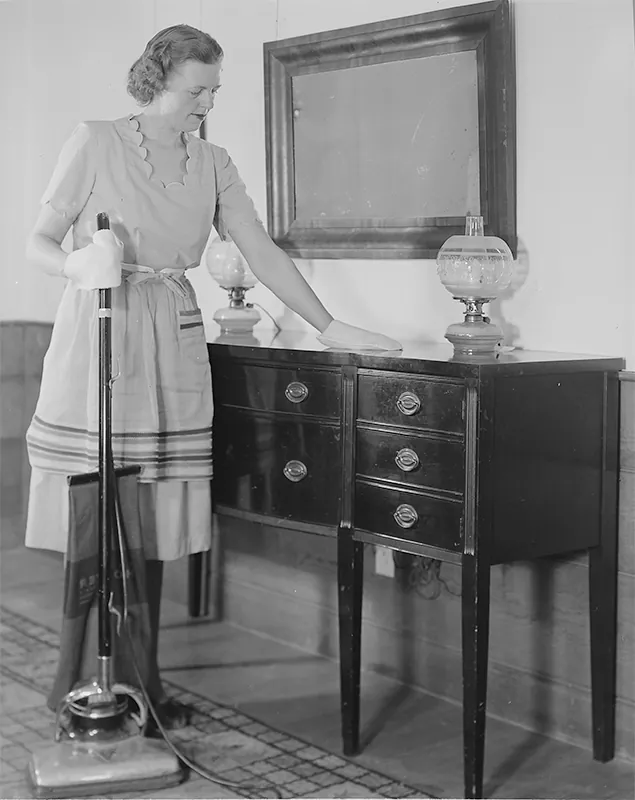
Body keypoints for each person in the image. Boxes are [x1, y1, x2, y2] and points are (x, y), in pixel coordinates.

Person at [24, 23, 400, 730]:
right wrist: (78, 264)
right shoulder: (95, 139)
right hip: (99, 329)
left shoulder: (214, 161)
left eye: (213, 90)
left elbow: (259, 250)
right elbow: (37, 241)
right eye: (197, 89)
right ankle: (71, 679)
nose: (206, 102)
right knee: (93, 509)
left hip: (169, 335)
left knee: (155, 510)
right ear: (156, 78)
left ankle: (144, 681)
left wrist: (327, 324)